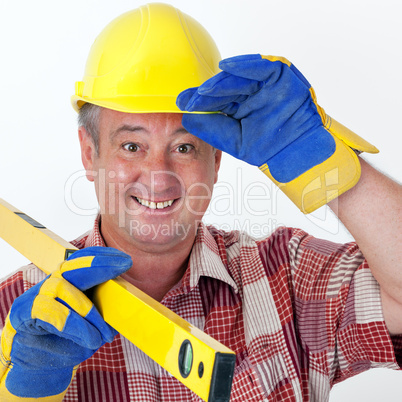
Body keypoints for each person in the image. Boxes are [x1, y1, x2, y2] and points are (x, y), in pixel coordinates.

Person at [0, 2, 401, 401]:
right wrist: (24, 391)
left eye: (185, 146)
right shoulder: (18, 312)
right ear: (90, 153)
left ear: (217, 158)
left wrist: (329, 168)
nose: (158, 175)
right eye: (131, 145)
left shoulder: (287, 278)